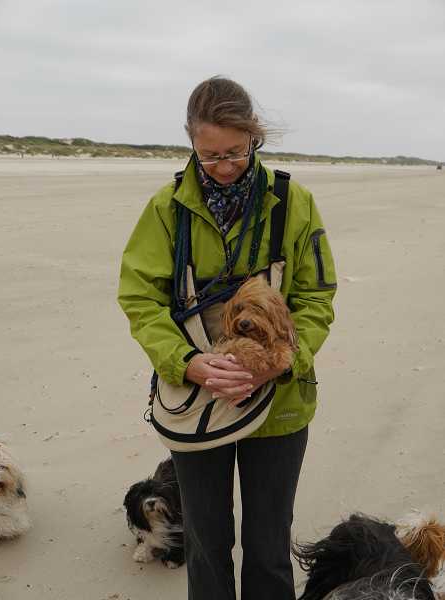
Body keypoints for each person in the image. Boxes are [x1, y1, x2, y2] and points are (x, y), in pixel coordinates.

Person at [118, 76, 337, 600]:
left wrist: (282, 362)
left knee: (267, 545)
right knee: (205, 542)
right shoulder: (167, 207)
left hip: (281, 402)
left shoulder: (294, 202)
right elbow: (140, 298)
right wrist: (186, 362)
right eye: (209, 155)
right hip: (196, 400)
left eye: (236, 152)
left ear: (254, 137)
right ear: (191, 141)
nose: (223, 166)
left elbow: (316, 297)